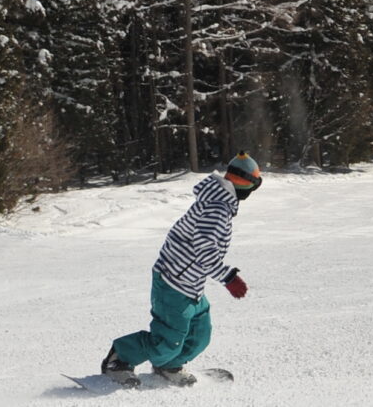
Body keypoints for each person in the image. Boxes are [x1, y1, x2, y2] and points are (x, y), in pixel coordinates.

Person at [103, 153, 261, 387]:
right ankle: (119, 358)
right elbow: (204, 249)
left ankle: (169, 364)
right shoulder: (217, 208)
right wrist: (229, 278)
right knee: (168, 339)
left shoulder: (220, 201)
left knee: (200, 334)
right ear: (247, 184)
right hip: (173, 281)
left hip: (191, 283)